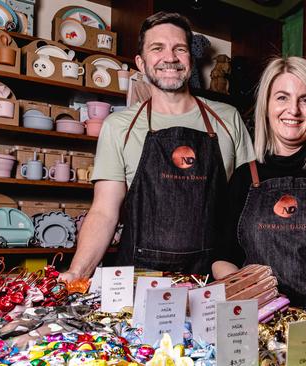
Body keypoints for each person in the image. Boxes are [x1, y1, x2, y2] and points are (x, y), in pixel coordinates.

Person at [61, 12, 254, 281]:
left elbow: (247, 207)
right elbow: (104, 211)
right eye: (157, 48)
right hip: (138, 279)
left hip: (212, 281)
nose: (170, 58)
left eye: (180, 49)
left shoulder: (228, 118)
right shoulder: (119, 126)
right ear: (141, 62)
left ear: (191, 59)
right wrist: (76, 272)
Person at [211, 56, 306, 307]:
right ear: (266, 105)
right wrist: (246, 295)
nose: (294, 110)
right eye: (282, 97)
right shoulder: (245, 176)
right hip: (256, 321)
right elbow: (222, 257)